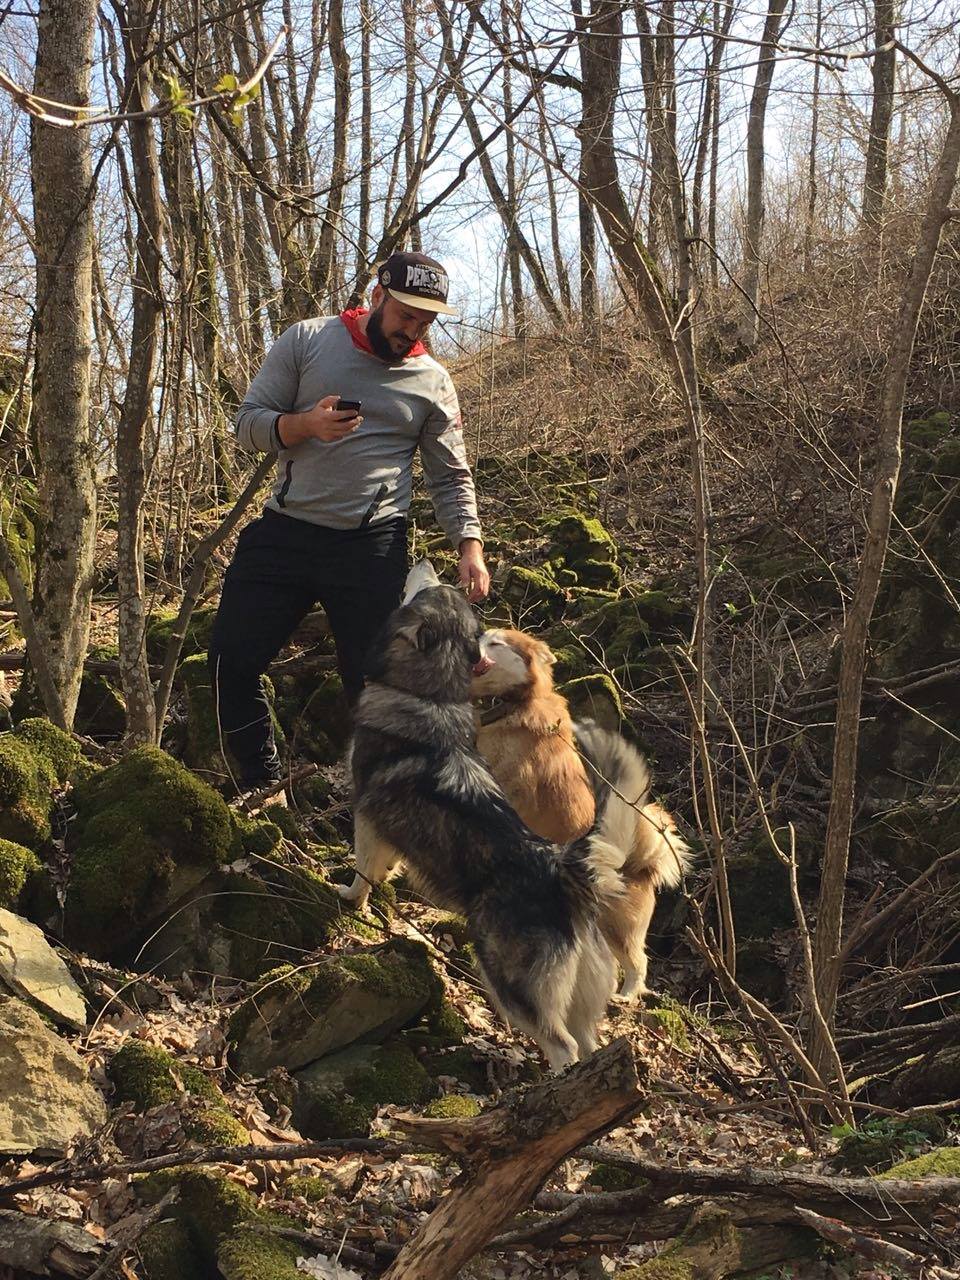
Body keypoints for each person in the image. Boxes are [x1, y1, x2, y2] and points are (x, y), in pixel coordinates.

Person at [208, 250, 490, 795]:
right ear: (377, 296)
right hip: (285, 533)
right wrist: (303, 424)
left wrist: (469, 545)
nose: (413, 329)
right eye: (406, 314)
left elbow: (451, 475)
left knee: (373, 687)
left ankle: (376, 807)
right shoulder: (307, 341)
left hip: (371, 547)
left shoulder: (432, 382)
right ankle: (260, 786)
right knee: (229, 665)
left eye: (426, 321)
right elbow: (247, 425)